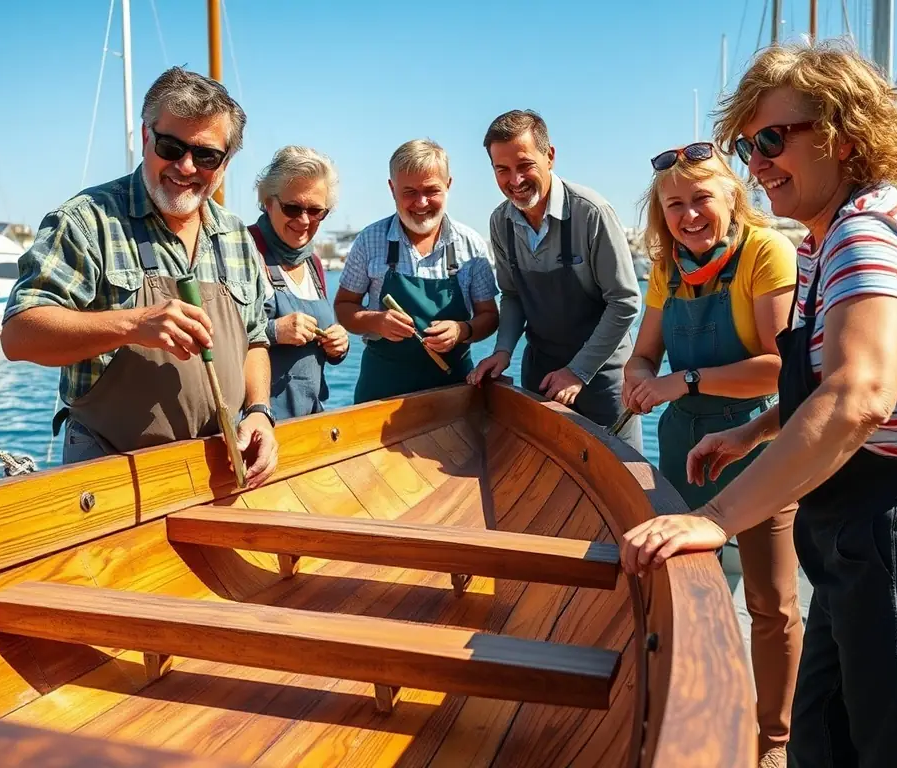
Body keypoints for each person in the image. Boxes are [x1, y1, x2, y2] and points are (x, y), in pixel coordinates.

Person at [621, 41, 897, 768]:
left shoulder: (865, 238)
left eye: (771, 140)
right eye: (747, 144)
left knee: (889, 743)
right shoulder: (833, 236)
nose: (757, 162)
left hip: (889, 533)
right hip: (848, 534)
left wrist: (713, 520)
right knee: (823, 735)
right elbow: (824, 380)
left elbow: (859, 396)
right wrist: (757, 430)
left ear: (843, 135)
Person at [1, 66, 278, 487]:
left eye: (205, 155)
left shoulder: (237, 237)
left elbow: (255, 340)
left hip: (217, 472)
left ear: (224, 164)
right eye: (171, 146)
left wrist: (259, 411)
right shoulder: (85, 221)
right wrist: (134, 324)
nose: (185, 166)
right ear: (147, 138)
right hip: (109, 473)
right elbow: (19, 334)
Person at [622, 142, 801, 767]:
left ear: (733, 198)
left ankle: (773, 741)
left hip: (755, 442)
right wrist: (640, 376)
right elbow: (644, 352)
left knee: (771, 601)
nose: (689, 215)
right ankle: (690, 714)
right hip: (683, 444)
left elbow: (781, 370)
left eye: (702, 198)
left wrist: (685, 380)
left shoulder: (767, 252)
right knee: (690, 587)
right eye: (675, 204)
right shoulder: (668, 268)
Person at [468, 110, 643, 451]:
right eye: (502, 170)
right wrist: (503, 351)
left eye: (524, 165)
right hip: (542, 374)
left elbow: (625, 302)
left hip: (603, 378)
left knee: (619, 483)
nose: (515, 180)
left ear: (549, 156)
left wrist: (578, 372)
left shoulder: (591, 212)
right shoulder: (500, 222)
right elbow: (513, 295)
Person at [335, 139, 499, 402]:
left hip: (453, 392)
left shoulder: (472, 245)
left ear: (448, 185)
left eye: (431, 190)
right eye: (409, 192)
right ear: (392, 188)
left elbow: (490, 316)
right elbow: (344, 307)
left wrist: (462, 331)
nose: (421, 202)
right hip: (381, 391)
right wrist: (375, 321)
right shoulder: (369, 240)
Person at [248, 146, 349, 421]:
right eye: (292, 208)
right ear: (268, 202)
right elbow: (219, 339)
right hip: (256, 424)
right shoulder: (244, 251)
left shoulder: (314, 264)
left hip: (309, 421)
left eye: (316, 211)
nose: (304, 220)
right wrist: (273, 331)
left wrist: (339, 345)